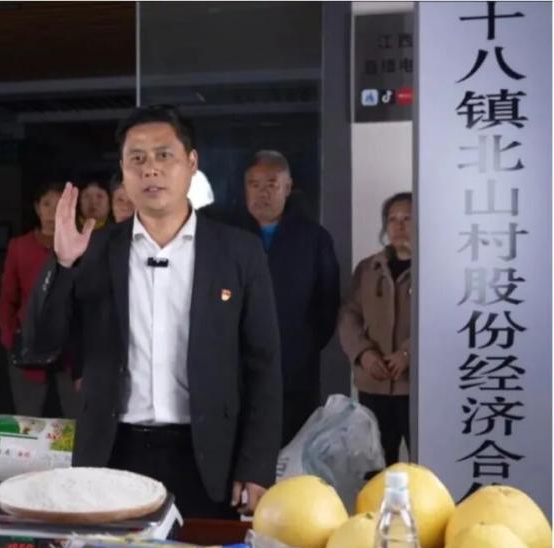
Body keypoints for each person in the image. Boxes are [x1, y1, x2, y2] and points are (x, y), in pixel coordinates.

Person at [23, 105, 282, 519]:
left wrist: (256, 466)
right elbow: (40, 345)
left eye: (164, 155)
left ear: (191, 163)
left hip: (208, 456)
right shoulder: (95, 249)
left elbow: (264, 365)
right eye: (137, 158)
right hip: (113, 451)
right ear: (123, 170)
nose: (151, 169)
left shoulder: (239, 252)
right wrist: (63, 264)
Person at [238, 150, 340, 446]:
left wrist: (303, 343)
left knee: (293, 447)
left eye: (271, 184)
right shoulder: (228, 235)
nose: (262, 193)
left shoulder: (314, 238)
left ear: (287, 186)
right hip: (236, 368)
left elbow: (327, 304)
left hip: (295, 367)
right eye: (254, 184)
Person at [339, 192, 413, 465]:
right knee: (376, 465)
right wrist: (364, 353)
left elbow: (442, 321)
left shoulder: (434, 268)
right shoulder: (369, 268)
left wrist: (408, 354)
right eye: (392, 219)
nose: (399, 226)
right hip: (374, 383)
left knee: (423, 464)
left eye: (407, 218)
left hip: (417, 386)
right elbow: (349, 315)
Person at [0, 182, 80, 418]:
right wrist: (9, 336)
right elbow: (7, 297)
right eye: (46, 205)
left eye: (59, 206)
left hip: (69, 347)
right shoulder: (19, 246)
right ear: (37, 208)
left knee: (76, 418)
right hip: (28, 343)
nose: (52, 213)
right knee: (28, 417)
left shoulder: (80, 246)